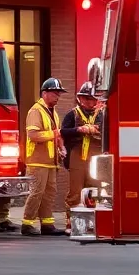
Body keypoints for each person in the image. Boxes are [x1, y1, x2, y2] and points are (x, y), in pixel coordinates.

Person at [21, 78, 66, 236]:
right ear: (44, 93)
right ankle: (27, 224)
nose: (58, 97)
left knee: (49, 193)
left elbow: (57, 134)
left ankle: (47, 224)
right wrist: (54, 134)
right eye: (55, 93)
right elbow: (33, 135)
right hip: (37, 161)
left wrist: (61, 147)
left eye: (59, 94)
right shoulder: (36, 111)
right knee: (36, 192)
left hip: (51, 162)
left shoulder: (53, 112)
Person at [61, 83, 105, 233]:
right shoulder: (72, 114)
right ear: (80, 98)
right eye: (86, 99)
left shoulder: (102, 115)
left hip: (96, 155)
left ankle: (92, 222)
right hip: (77, 154)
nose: (90, 102)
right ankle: (70, 223)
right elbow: (63, 132)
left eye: (92, 99)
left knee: (94, 189)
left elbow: (108, 132)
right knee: (75, 190)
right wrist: (79, 129)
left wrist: (96, 131)